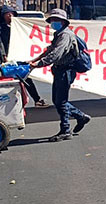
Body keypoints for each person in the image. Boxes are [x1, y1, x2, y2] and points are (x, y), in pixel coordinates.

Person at [30, 9, 91, 142]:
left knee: (61, 102)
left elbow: (56, 54)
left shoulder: (66, 36)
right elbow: (49, 50)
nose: (53, 23)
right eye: (52, 20)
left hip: (66, 71)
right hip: (59, 71)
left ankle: (65, 130)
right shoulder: (59, 34)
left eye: (56, 20)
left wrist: (39, 64)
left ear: (63, 22)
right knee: (58, 101)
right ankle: (80, 117)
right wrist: (35, 60)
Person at [0, 5, 49, 108]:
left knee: (26, 78)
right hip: (6, 59)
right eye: (7, 13)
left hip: (19, 57)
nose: (10, 15)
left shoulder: (18, 27)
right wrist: (3, 55)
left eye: (12, 13)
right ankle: (10, 102)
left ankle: (36, 99)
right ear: (3, 15)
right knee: (10, 81)